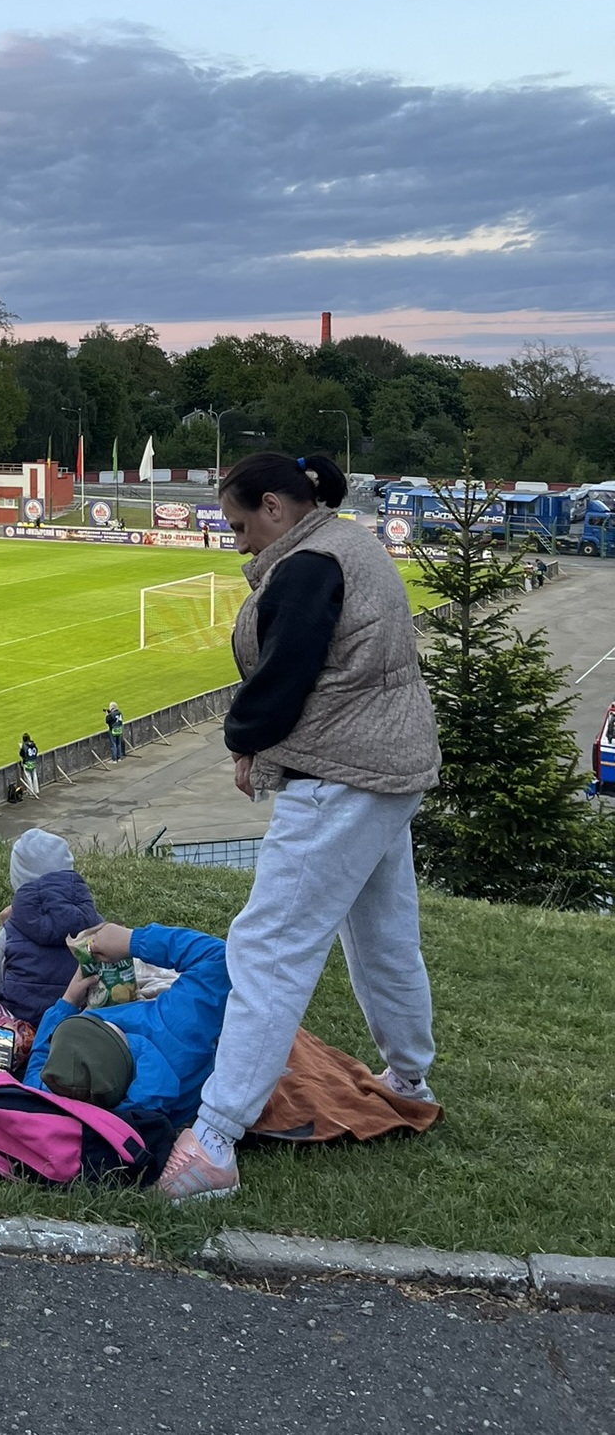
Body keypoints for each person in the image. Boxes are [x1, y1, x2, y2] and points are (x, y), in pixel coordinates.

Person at [156, 451, 441, 1202]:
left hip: (346, 774)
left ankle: (213, 1141)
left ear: (276, 509)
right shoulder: (342, 542)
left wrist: (248, 741)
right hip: (390, 766)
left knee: (269, 945)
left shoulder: (311, 563)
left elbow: (287, 676)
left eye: (242, 523)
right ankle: (408, 1077)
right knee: (382, 930)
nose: (238, 539)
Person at [25, 921, 230, 1127]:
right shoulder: (178, 1029)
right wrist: (132, 941)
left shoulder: (61, 1102)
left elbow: (36, 1070)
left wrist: (68, 1001)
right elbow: (219, 958)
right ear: (121, 1037)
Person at [0, 830, 100, 1026]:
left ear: (18, 880)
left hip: (22, 1024)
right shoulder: (96, 922)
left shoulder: (12, 929)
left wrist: (3, 929)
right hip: (81, 1024)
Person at [18, 732, 40, 798]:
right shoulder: (33, 744)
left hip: (27, 762)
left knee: (28, 777)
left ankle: (30, 792)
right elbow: (36, 751)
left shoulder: (24, 746)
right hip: (33, 761)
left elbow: (22, 754)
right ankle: (36, 790)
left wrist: (20, 748)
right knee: (34, 775)